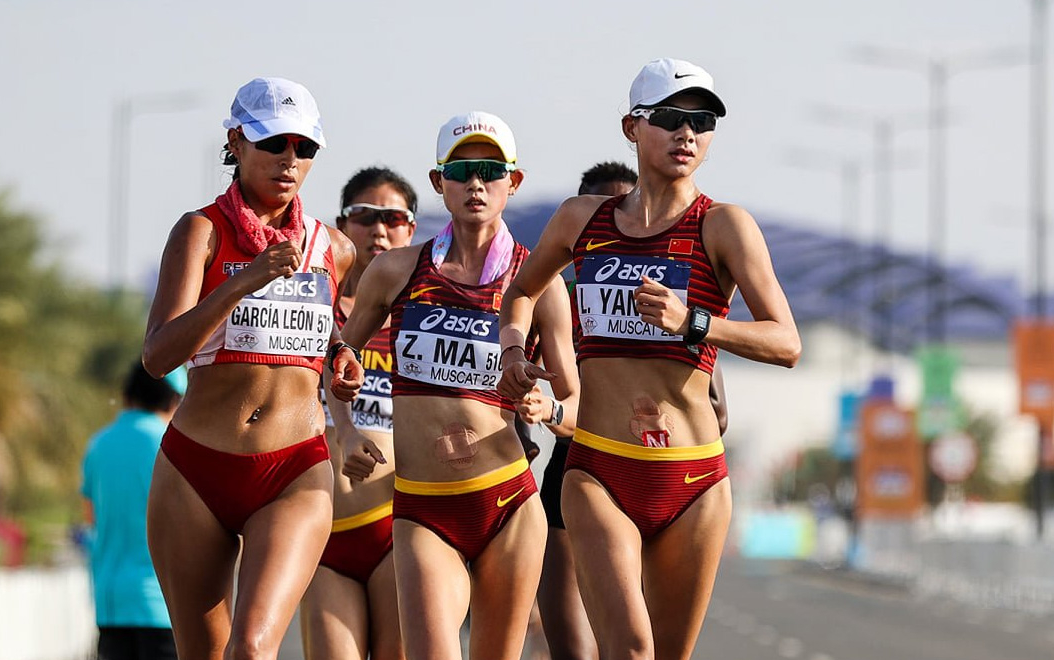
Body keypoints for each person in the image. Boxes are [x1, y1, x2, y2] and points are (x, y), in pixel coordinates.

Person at [499, 58, 800, 660]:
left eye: (704, 121)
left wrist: (697, 323)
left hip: (693, 476)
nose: (688, 133)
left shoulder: (723, 226)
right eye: (671, 118)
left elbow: (786, 341)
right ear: (632, 127)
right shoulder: (580, 220)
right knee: (629, 650)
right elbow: (521, 291)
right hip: (599, 468)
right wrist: (512, 349)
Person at [330, 111, 580, 660]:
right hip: (423, 508)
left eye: (490, 170)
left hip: (508, 502)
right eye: (461, 170)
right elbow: (339, 359)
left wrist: (547, 405)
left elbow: (576, 408)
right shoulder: (397, 270)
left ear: (512, 183)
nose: (475, 184)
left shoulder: (537, 283)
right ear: (439, 181)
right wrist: (345, 429)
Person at [141, 76, 363, 660]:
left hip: (294, 468)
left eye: (304, 148)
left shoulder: (334, 247)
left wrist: (342, 355)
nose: (289, 160)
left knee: (255, 648)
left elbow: (332, 333)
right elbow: (159, 355)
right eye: (274, 144)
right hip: (196, 468)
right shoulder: (200, 231)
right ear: (237, 143)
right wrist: (242, 282)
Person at [534, 161, 734, 660]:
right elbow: (519, 311)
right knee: (589, 649)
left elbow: (716, 394)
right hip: (589, 464)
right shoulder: (565, 287)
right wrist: (536, 388)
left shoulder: (693, 261)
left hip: (684, 474)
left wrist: (693, 331)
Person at [299, 167, 418, 660]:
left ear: (412, 229)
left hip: (397, 528)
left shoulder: (423, 319)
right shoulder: (313, 316)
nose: (379, 230)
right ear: (341, 226)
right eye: (365, 217)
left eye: (393, 218)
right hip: (321, 532)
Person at [81, 363, 186, 660]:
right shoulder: (172, 444)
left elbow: (91, 518)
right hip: (163, 605)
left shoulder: (98, 444)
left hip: (110, 602)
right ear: (173, 400)